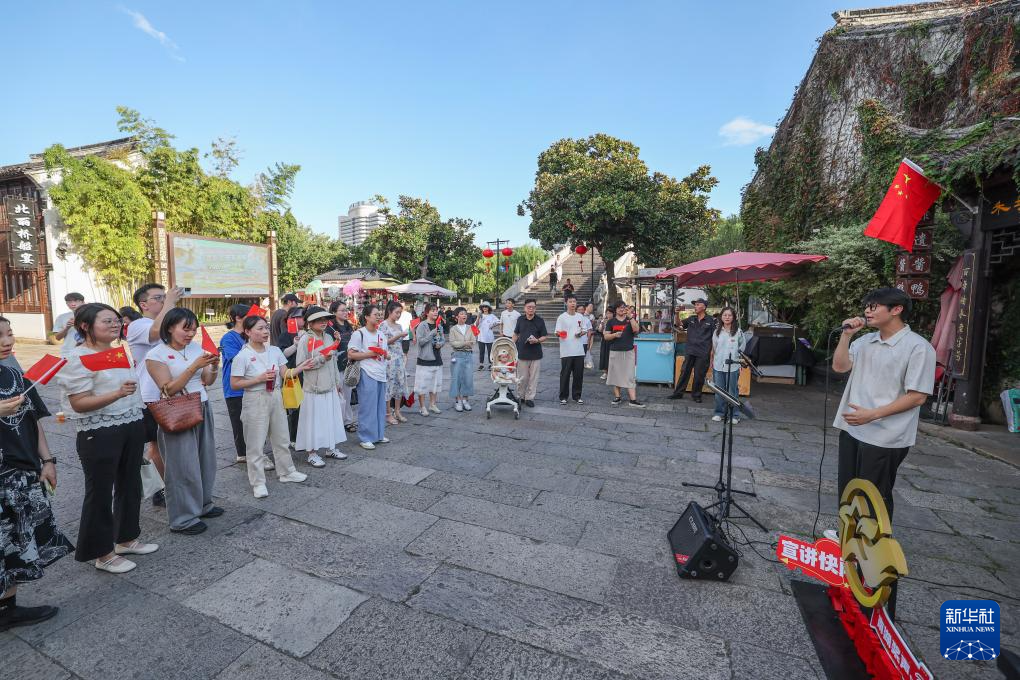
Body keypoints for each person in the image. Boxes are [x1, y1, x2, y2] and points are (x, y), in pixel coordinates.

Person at [831, 288, 935, 620]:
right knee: (849, 493)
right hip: (853, 428)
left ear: (896, 309)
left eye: (874, 306)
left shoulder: (917, 347)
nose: (868, 311)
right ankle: (850, 552)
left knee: (874, 498)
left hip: (886, 435)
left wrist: (873, 415)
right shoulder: (866, 341)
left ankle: (875, 561)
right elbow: (839, 366)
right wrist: (847, 336)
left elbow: (917, 396)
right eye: (866, 306)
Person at [59, 303, 159, 573]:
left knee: (130, 483)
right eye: (107, 321)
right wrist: (116, 394)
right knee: (100, 492)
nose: (115, 325)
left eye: (116, 321)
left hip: (131, 423)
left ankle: (126, 538)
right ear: (85, 326)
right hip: (99, 431)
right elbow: (79, 402)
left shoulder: (118, 351)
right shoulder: (76, 357)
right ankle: (102, 554)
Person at [0, 316, 73, 629]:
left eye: (9, 333)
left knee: (17, 541)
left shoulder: (13, 373)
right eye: (0, 336)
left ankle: (8, 609)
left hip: (22, 472)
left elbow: (33, 420)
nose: (7, 341)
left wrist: (48, 460)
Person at [145, 308, 222, 535]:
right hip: (177, 411)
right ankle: (182, 518)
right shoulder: (156, 355)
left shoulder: (195, 348)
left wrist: (213, 366)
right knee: (181, 466)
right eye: (185, 329)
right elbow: (168, 390)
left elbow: (207, 380)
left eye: (194, 330)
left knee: (206, 460)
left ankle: (203, 504)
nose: (190, 334)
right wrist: (194, 366)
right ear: (170, 327)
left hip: (202, 406)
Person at [231, 316, 311, 498]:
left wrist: (301, 367)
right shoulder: (242, 356)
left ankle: (287, 472)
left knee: (281, 437)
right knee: (255, 443)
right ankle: (258, 482)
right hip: (255, 397)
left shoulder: (274, 350)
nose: (265, 331)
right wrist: (258, 379)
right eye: (260, 328)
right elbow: (234, 384)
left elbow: (285, 373)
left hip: (275, 395)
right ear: (248, 332)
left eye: (266, 327)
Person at [126, 283, 184, 507]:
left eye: (164, 297)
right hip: (151, 394)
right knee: (157, 445)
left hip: (172, 390)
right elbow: (155, 333)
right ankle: (162, 488)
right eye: (158, 298)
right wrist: (170, 301)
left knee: (169, 443)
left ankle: (166, 484)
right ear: (143, 304)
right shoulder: (138, 325)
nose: (163, 300)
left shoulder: (169, 323)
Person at [295, 306, 348, 466]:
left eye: (325, 319)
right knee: (314, 421)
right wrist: (322, 359)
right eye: (318, 320)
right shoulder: (305, 339)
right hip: (314, 388)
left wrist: (337, 382)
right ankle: (312, 453)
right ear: (310, 323)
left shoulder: (329, 337)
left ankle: (331, 448)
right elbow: (300, 364)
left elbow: (333, 361)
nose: (323, 322)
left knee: (331, 418)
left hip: (330, 385)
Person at [220, 303, 262, 466]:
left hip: (253, 386)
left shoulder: (249, 336)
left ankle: (255, 451)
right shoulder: (228, 338)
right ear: (238, 318)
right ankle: (243, 454)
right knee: (239, 422)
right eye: (249, 316)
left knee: (255, 421)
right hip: (236, 388)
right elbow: (238, 360)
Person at [348, 304, 390, 450]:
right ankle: (365, 437)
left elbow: (385, 353)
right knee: (367, 406)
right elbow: (351, 354)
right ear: (366, 317)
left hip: (380, 372)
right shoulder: (359, 334)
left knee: (380, 406)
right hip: (367, 372)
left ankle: (378, 434)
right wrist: (370, 354)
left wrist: (386, 355)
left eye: (380, 314)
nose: (379, 317)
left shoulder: (381, 334)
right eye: (375, 314)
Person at [669, 298, 716, 403]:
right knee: (684, 372)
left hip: (703, 352)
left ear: (704, 307)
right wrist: (677, 314)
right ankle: (678, 393)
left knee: (699, 375)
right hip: (690, 350)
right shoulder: (691, 319)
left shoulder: (711, 320)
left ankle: (696, 395)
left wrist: (712, 352)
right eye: (695, 305)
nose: (695, 306)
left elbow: (715, 337)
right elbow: (679, 325)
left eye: (698, 304)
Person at [275, 306, 305, 448]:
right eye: (298, 316)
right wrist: (295, 345)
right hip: (292, 373)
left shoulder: (308, 333)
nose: (301, 319)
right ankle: (293, 437)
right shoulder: (285, 335)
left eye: (303, 316)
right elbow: (282, 354)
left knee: (306, 405)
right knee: (295, 406)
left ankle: (305, 434)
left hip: (307, 373)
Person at [603, 303, 644, 407]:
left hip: (629, 351)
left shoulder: (629, 320)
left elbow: (636, 330)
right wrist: (614, 335)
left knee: (630, 375)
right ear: (616, 309)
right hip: (615, 351)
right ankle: (618, 397)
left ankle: (633, 400)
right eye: (619, 307)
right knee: (616, 375)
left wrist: (631, 317)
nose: (622, 309)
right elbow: (606, 336)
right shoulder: (611, 321)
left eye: (623, 307)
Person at [711, 307, 747, 424]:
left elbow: (742, 348)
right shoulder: (717, 332)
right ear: (721, 317)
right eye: (725, 315)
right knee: (719, 391)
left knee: (732, 391)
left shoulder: (738, 332)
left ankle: (734, 415)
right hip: (718, 365)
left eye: (729, 315)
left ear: (733, 317)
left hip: (733, 366)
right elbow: (714, 348)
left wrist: (738, 360)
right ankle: (719, 413)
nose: (727, 317)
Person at [328, 300, 357, 432]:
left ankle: (348, 421)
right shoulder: (330, 328)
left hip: (349, 365)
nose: (346, 312)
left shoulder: (348, 326)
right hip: (336, 365)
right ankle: (338, 422)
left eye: (346, 310)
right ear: (334, 312)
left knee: (348, 395)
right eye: (342, 310)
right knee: (339, 396)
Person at [513, 299, 548, 407]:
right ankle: (520, 396)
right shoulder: (520, 319)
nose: (531, 309)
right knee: (522, 377)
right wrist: (511, 346)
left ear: (535, 308)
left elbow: (544, 336)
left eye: (533, 307)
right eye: (529, 307)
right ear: (525, 308)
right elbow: (516, 334)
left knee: (533, 378)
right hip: (522, 353)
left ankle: (530, 398)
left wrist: (537, 340)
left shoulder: (540, 320)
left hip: (535, 354)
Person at [381, 301, 409, 425]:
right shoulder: (383, 325)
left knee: (399, 384)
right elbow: (383, 342)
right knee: (389, 386)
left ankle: (397, 411)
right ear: (389, 311)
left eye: (400, 313)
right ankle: (388, 413)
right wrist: (398, 336)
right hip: (389, 360)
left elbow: (400, 344)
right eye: (396, 312)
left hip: (399, 358)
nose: (398, 315)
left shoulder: (399, 326)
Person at [555, 295, 587, 405]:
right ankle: (563, 396)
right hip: (566, 351)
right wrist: (560, 334)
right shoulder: (562, 317)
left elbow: (584, 330)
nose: (572, 303)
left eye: (574, 301)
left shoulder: (580, 316)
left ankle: (577, 396)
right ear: (566, 303)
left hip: (579, 350)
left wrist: (581, 333)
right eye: (570, 301)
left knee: (578, 375)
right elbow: (557, 332)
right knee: (565, 374)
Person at [414, 303, 445, 416]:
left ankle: (432, 404)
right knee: (422, 385)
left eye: (436, 310)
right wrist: (432, 333)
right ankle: (422, 407)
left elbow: (443, 339)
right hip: (425, 360)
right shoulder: (422, 325)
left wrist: (440, 344)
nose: (435, 312)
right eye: (433, 310)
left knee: (435, 384)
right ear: (427, 313)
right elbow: (421, 342)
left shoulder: (439, 325)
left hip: (437, 358)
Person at [447, 307, 476, 412]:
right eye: (462, 313)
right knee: (456, 378)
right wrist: (465, 343)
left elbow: (473, 341)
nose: (464, 315)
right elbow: (453, 343)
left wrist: (465, 344)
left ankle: (465, 400)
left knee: (468, 378)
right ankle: (458, 401)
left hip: (468, 355)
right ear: (457, 316)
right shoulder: (453, 329)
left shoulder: (470, 327)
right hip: (457, 355)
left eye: (465, 313)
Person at [52, 292, 85, 356]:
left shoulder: (91, 316)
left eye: (77, 301)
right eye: (69, 301)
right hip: (68, 352)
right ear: (66, 303)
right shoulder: (62, 317)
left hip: (88, 351)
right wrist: (67, 328)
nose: (73, 304)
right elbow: (58, 338)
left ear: (83, 302)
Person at [475, 302, 499, 370]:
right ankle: (481, 364)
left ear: (489, 308)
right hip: (481, 336)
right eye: (483, 307)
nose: (485, 308)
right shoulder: (480, 316)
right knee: (481, 351)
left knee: (490, 351)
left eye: (486, 307)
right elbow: (476, 325)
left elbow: (499, 321)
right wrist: (478, 317)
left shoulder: (492, 316)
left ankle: (490, 364)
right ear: (481, 308)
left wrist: (492, 325)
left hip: (489, 336)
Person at [598, 303, 617, 380]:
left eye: (610, 313)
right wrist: (602, 323)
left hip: (612, 340)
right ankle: (605, 372)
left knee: (611, 356)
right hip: (605, 340)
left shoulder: (615, 321)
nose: (608, 315)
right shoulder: (604, 321)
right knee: (604, 355)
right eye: (607, 313)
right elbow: (600, 330)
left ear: (613, 314)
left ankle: (612, 372)